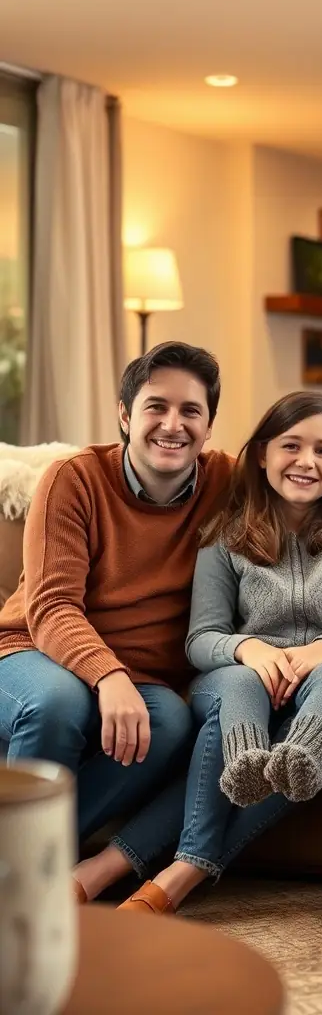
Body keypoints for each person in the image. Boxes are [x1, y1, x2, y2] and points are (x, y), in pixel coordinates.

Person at [73, 391, 322, 914]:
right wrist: (250, 650)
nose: (306, 462)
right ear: (261, 454)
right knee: (240, 686)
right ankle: (246, 761)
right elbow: (201, 640)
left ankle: (291, 764)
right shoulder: (225, 534)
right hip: (239, 685)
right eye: (291, 445)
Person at [0, 341, 233, 863]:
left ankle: (32, 864)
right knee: (59, 703)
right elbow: (52, 607)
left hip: (142, 680)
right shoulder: (73, 479)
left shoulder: (226, 481)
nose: (173, 424)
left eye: (191, 410)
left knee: (170, 722)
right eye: (157, 407)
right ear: (125, 415)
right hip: (28, 651)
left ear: (210, 426)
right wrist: (109, 675)